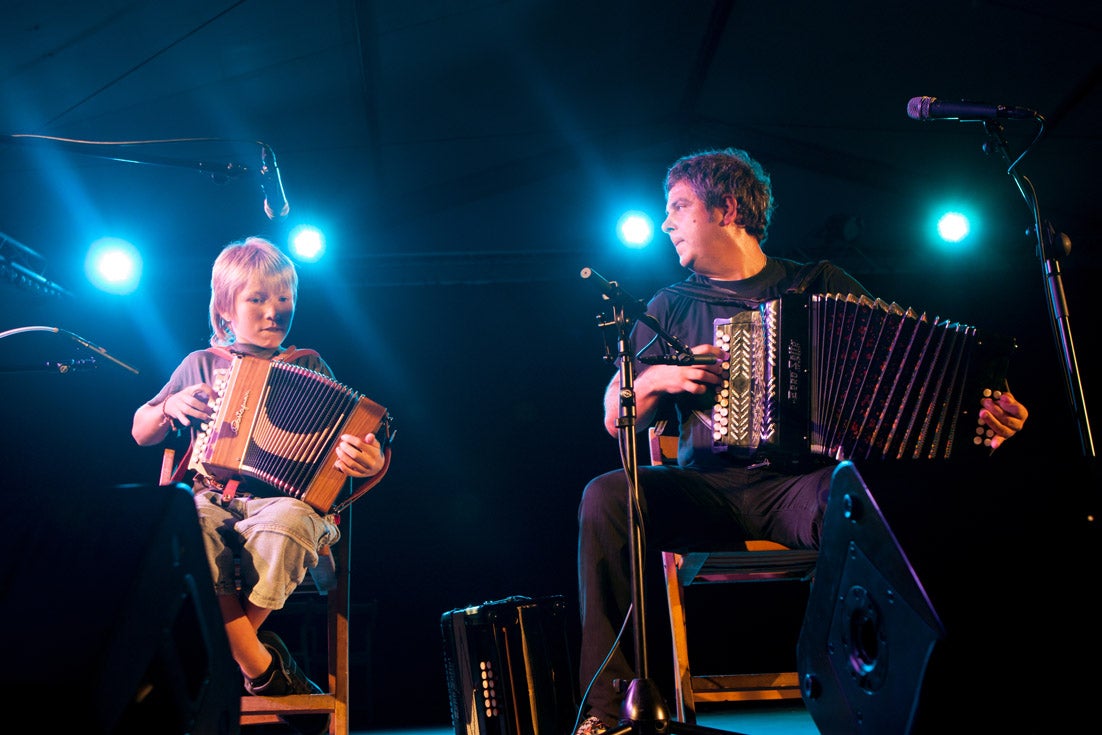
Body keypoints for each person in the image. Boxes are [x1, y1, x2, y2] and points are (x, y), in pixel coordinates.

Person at [573, 148, 1029, 735]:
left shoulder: (818, 284)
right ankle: (607, 714)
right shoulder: (671, 305)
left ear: (728, 208)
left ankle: (879, 688)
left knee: (875, 502)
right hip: (709, 488)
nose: (666, 223)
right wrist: (661, 376)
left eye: (679, 207)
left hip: (802, 486)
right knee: (605, 497)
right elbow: (616, 414)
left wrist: (982, 414)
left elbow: (902, 375)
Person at [132, 236, 389, 735]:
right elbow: (141, 430)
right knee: (190, 521)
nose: (274, 312)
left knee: (293, 522)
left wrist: (368, 457)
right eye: (257, 299)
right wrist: (169, 407)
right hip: (214, 499)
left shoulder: (310, 365)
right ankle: (265, 669)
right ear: (225, 309)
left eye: (284, 299)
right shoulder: (199, 364)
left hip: (282, 505)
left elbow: (350, 448)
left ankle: (225, 658)